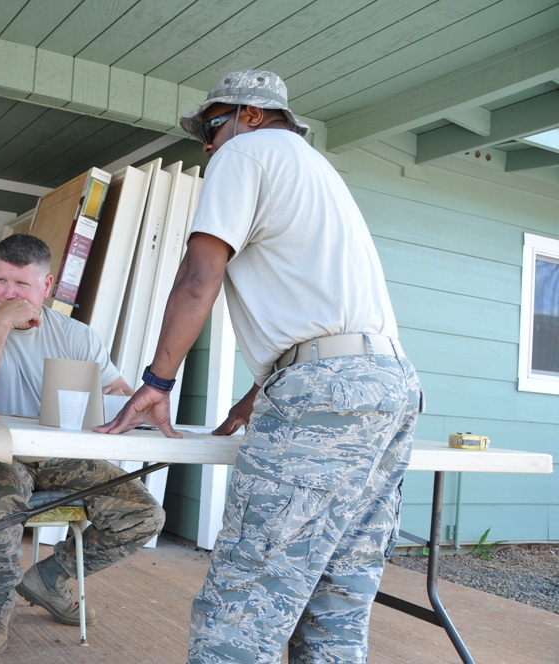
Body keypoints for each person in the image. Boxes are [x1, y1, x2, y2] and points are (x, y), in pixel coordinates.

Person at [97, 70, 423, 662]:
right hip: (391, 386)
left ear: (250, 115)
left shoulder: (245, 152)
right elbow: (326, 315)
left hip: (326, 390)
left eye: (212, 127)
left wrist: (157, 381)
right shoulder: (318, 172)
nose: (207, 145)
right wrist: (259, 395)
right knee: (336, 600)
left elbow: (199, 277)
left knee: (244, 606)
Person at [0, 233, 166, 657]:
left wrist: (144, 406)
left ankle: (50, 577)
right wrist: (0, 323)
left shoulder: (76, 335)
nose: (8, 294)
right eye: (1, 281)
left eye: (21, 285)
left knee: (143, 513)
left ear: (48, 285)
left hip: (58, 458)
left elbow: (115, 389)